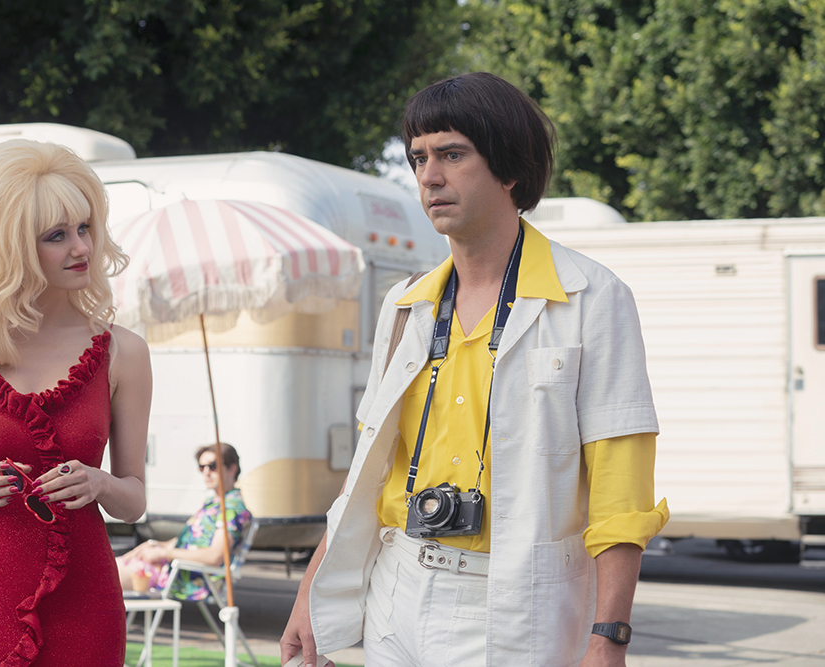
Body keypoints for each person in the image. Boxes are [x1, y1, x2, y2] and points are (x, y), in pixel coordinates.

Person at [280, 72, 669, 667]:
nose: (429, 177)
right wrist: (310, 593)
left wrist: (608, 637)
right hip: (398, 588)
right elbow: (367, 472)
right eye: (418, 159)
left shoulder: (593, 297)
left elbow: (622, 494)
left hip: (515, 602)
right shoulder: (405, 305)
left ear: (509, 167)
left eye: (452, 154)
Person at [0, 139, 151, 667]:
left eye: (85, 228)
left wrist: (100, 482)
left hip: (85, 597)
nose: (81, 248)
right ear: (11, 246)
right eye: (56, 236)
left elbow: (134, 502)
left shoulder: (124, 353)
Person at [117, 443, 251, 600]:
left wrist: (164, 553)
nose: (206, 472)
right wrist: (154, 544)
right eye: (202, 467)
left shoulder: (230, 508)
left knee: (103, 575)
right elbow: (188, 541)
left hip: (185, 576)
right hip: (174, 568)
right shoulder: (213, 502)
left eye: (213, 466)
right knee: (108, 568)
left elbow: (215, 556)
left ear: (232, 469)